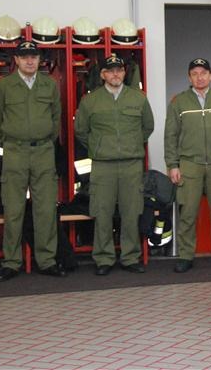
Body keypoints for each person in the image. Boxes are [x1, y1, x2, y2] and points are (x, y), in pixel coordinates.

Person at [0, 40, 64, 281]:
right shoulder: (4, 85)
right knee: (13, 209)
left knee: (46, 209)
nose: (30, 61)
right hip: (15, 151)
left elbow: (55, 119)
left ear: (39, 59)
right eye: (25, 57)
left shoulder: (49, 84)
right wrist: (10, 141)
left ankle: (46, 261)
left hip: (43, 151)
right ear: (16, 60)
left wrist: (44, 139)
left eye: (34, 56)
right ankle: (12, 262)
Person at [74, 54, 154, 276]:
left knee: (131, 212)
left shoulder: (138, 98)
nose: (115, 74)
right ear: (103, 75)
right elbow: (81, 131)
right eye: (110, 71)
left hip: (131, 164)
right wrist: (100, 147)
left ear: (124, 73)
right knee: (102, 212)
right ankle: (104, 258)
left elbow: (148, 127)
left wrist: (132, 144)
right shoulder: (90, 101)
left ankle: (130, 257)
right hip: (103, 165)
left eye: (119, 70)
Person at [165, 58, 211, 273]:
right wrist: (173, 165)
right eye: (195, 74)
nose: (200, 77)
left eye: (203, 73)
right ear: (189, 77)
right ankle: (186, 256)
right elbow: (170, 136)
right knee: (188, 213)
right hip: (189, 164)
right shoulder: (179, 102)